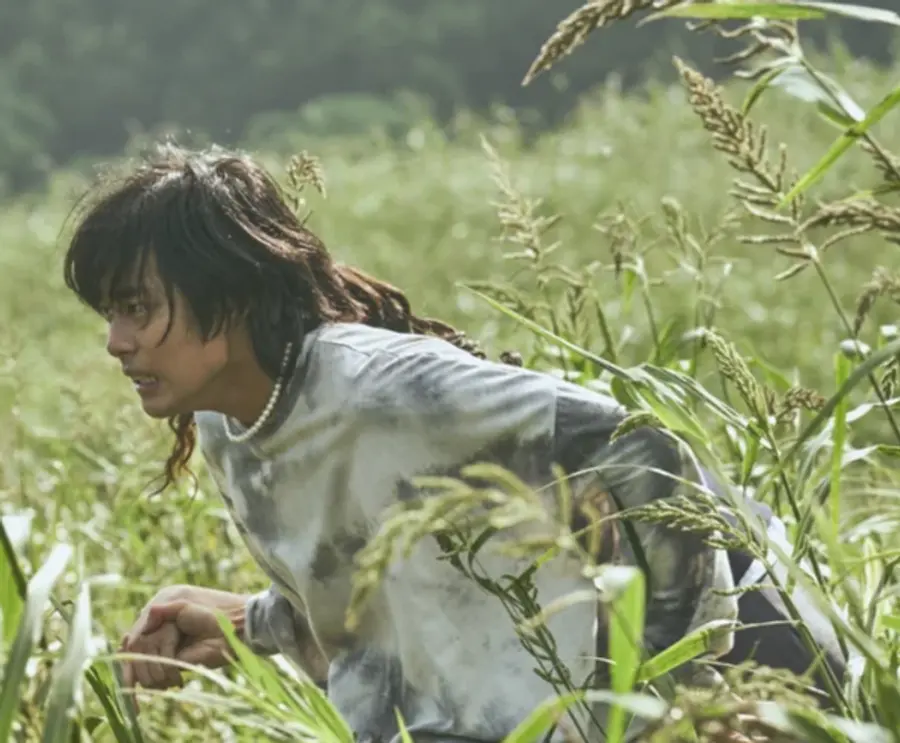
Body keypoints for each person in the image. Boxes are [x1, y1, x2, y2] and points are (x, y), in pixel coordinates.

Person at [62, 142, 847, 742]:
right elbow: (396, 584)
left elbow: (644, 450)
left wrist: (652, 700)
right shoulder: (229, 425)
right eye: (110, 313)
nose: (116, 342)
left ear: (227, 295)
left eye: (138, 308)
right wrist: (252, 623)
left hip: (754, 664)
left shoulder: (381, 388)